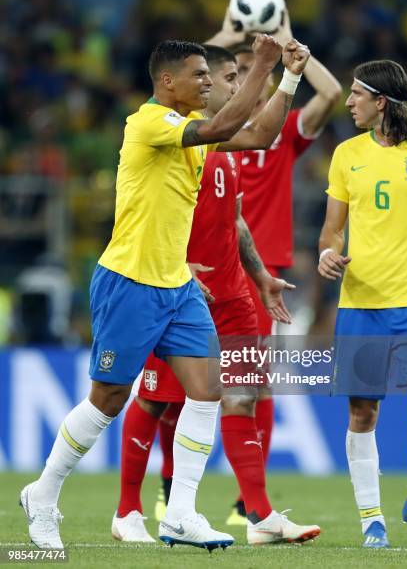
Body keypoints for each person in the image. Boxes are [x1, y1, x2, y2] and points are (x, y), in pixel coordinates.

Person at [19, 35, 289, 551]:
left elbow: (256, 137)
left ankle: (181, 513)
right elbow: (225, 125)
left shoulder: (193, 133)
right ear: (168, 82)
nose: (208, 81)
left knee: (207, 390)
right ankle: (44, 493)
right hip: (130, 281)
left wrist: (290, 79)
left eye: (211, 76)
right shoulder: (149, 122)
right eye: (200, 75)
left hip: (179, 284)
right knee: (109, 399)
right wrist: (266, 66)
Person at [112, 44, 320, 546]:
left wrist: (260, 275)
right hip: (184, 294)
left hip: (234, 295)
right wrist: (177, 263)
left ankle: (261, 517)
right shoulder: (177, 139)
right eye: (226, 76)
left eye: (228, 76)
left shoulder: (220, 150)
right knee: (157, 400)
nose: (224, 84)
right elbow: (149, 214)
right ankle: (128, 511)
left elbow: (235, 216)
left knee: (243, 399)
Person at [208, 8, 342, 524]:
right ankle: (167, 492)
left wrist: (290, 49)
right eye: (235, 73)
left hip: (265, 272)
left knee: (253, 379)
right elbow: (176, 80)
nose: (244, 79)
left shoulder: (283, 131)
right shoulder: (209, 133)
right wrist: (223, 38)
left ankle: (248, 501)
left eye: (250, 72)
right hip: (206, 266)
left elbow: (329, 95)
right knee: (182, 385)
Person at [318, 59, 407, 549]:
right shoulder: (345, 155)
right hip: (360, 304)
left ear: (381, 101)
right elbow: (332, 229)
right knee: (362, 415)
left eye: (357, 94)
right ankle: (371, 519)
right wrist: (326, 254)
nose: (349, 101)